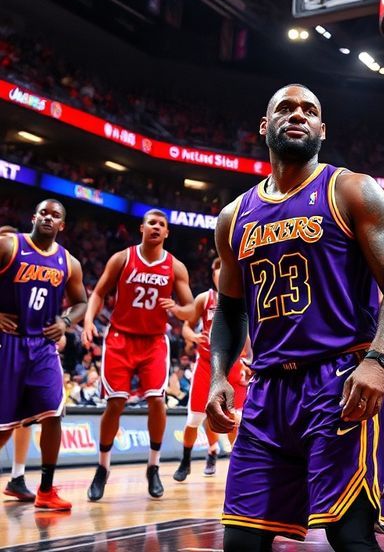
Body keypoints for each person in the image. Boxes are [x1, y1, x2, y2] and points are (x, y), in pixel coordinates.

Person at [206, 84, 384, 551]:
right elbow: (230, 308)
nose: (298, 114)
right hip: (266, 392)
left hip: (338, 381)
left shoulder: (353, 190)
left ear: (322, 129)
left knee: (350, 537)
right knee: (241, 542)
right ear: (265, 126)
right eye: (285, 108)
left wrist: (378, 360)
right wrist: (220, 375)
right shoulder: (233, 217)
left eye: (309, 110)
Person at [82, 209, 194, 501]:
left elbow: (191, 309)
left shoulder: (176, 267)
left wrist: (177, 310)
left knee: (157, 401)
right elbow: (98, 293)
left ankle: (153, 467)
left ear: (167, 232)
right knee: (115, 403)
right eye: (151, 223)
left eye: (162, 224)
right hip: (120, 337)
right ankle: (102, 468)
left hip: (154, 341)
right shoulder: (122, 258)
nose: (156, 227)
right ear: (142, 228)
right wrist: (89, 320)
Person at [0, 199, 87, 510]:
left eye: (55, 215)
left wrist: (65, 322)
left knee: (53, 413)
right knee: (4, 425)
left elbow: (81, 302)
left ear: (62, 225)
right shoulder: (9, 246)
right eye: (44, 213)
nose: (49, 218)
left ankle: (46, 490)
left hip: (43, 346)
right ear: (33, 217)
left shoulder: (69, 262)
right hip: (8, 342)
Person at [172, 257, 249, 481]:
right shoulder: (204, 299)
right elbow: (187, 327)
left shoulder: (244, 296)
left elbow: (251, 333)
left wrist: (250, 358)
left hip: (234, 365)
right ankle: (186, 460)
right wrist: (193, 336)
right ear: (213, 274)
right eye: (219, 270)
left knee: (235, 418)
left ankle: (237, 466)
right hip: (207, 364)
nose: (223, 273)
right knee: (195, 418)